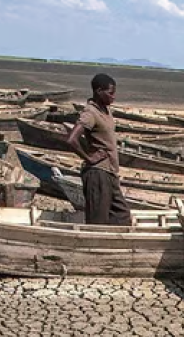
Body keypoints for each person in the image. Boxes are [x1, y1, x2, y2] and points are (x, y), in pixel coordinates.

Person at [67, 73, 131, 225]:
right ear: (98, 91)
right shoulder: (90, 113)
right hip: (98, 173)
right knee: (98, 220)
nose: (113, 97)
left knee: (122, 215)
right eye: (110, 93)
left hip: (110, 172)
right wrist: (88, 158)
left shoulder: (106, 110)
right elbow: (71, 140)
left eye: (114, 93)